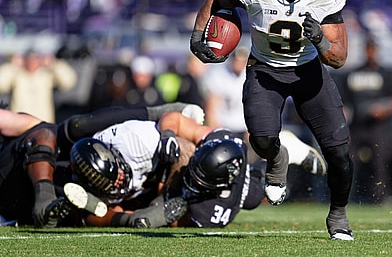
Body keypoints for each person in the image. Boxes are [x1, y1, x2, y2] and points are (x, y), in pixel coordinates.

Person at [189, 0, 354, 240]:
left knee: (339, 153)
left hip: (308, 72)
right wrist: (198, 35)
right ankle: (279, 158)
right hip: (265, 70)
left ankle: (338, 215)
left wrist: (319, 39)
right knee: (262, 139)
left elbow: (338, 57)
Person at [64, 113, 327, 228]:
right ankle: (284, 153)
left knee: (250, 196)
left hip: (172, 177)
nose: (119, 181)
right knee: (182, 150)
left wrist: (164, 216)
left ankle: (286, 152)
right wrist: (129, 219)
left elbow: (180, 122)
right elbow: (99, 213)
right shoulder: (91, 175)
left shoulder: (137, 141)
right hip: (159, 180)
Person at [0, 101, 204, 227]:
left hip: (52, 175)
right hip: (37, 197)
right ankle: (134, 219)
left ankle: (44, 200)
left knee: (67, 129)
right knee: (80, 203)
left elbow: (45, 132)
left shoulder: (136, 144)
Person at [339, 36, 392, 204]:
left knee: (380, 163)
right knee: (349, 161)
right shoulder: (353, 73)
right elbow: (344, 102)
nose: (371, 52)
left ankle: (380, 198)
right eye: (368, 49)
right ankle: (346, 197)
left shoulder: (385, 74)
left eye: (373, 49)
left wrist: (383, 110)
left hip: (378, 127)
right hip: (357, 126)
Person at [0, 108, 69, 228]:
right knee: (45, 135)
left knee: (45, 134)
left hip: (31, 167)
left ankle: (46, 200)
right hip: (11, 189)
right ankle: (45, 200)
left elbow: (35, 126)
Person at [0, 49, 78, 123]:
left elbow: (69, 81)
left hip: (42, 124)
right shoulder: (17, 75)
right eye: (29, 59)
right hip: (19, 124)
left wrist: (54, 64)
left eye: (35, 59)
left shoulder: (46, 75)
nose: (32, 62)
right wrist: (12, 65)